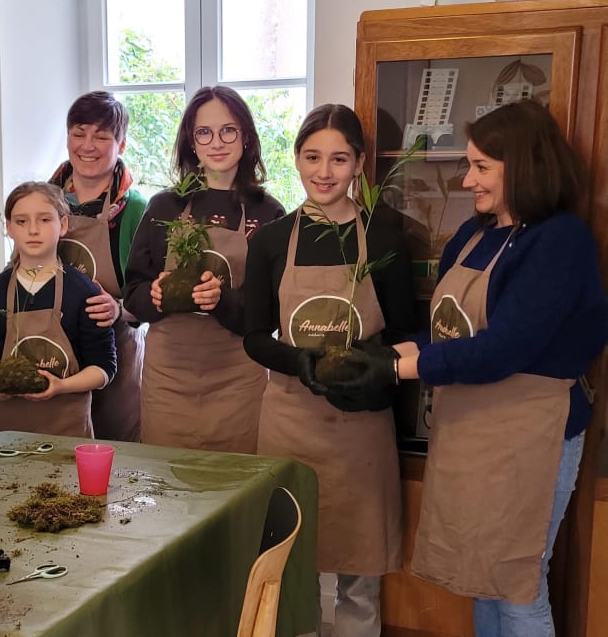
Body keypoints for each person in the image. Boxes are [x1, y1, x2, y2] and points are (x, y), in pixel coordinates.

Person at [325, 100, 608, 636]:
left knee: (518, 582)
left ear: (523, 166)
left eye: (481, 167)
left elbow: (503, 349)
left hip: (531, 431)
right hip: (472, 425)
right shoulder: (476, 234)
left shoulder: (559, 241)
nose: (467, 180)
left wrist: (397, 370)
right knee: (482, 575)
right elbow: (447, 331)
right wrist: (382, 354)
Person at [242, 103, 414, 635]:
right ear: (296, 159)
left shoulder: (384, 236)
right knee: (297, 574)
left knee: (360, 577)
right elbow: (254, 337)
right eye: (312, 156)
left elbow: (407, 334)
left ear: (359, 163)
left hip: (361, 428)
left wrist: (375, 375)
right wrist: (302, 362)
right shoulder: (272, 240)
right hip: (290, 422)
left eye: (339, 159)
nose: (324, 171)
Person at [123, 86, 285, 453]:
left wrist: (221, 300)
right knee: (167, 477)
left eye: (228, 130)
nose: (217, 142)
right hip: (168, 380)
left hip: (239, 381)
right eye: (204, 132)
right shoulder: (163, 206)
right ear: (191, 142)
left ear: (246, 136)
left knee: (236, 480)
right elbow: (132, 293)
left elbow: (271, 314)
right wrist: (155, 296)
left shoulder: (268, 212)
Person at [0, 181, 117, 437]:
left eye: (45, 220)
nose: (33, 230)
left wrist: (61, 386)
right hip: (6, 435)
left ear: (63, 225)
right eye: (21, 221)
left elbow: (104, 367)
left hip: (67, 430)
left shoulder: (82, 291)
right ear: (9, 228)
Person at [49, 91, 147, 442]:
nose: (88, 146)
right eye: (79, 133)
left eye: (102, 136)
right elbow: (20, 270)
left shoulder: (136, 210)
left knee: (117, 454)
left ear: (121, 145)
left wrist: (118, 308)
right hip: (53, 352)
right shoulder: (43, 201)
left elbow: (152, 296)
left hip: (116, 354)